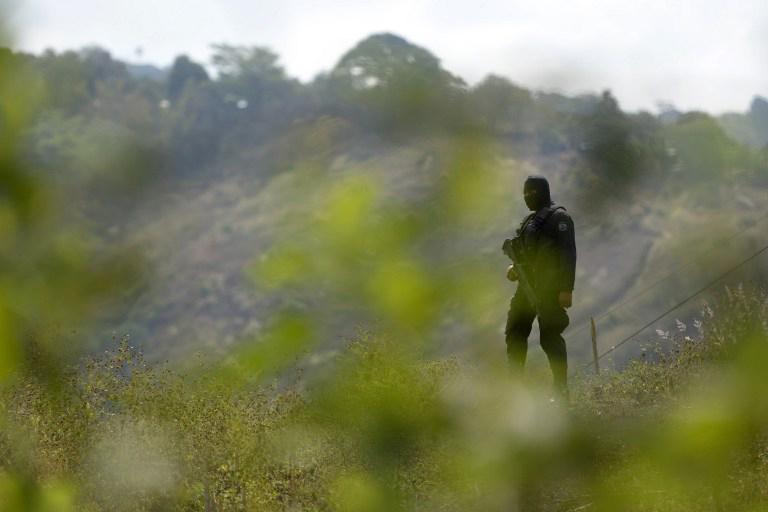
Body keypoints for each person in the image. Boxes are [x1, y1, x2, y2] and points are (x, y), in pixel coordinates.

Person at [502, 175, 576, 397]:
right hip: (526, 289)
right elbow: (526, 255)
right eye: (525, 193)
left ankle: (561, 389)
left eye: (532, 193)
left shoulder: (560, 219)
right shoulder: (529, 223)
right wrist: (515, 268)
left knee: (550, 337)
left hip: (550, 290)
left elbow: (568, 254)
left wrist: (566, 289)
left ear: (544, 191)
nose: (527, 197)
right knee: (515, 331)